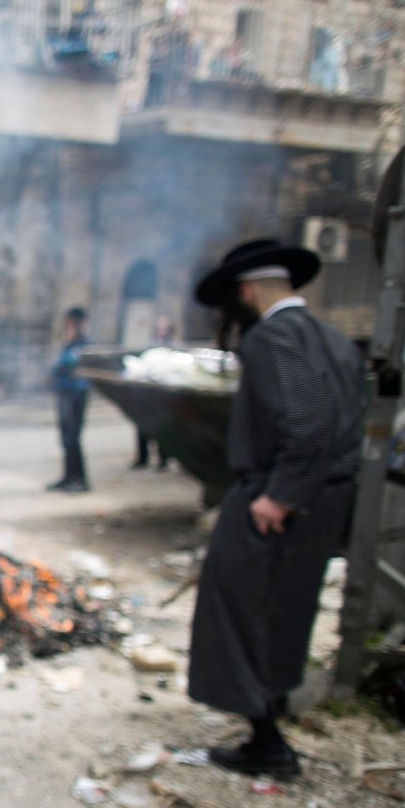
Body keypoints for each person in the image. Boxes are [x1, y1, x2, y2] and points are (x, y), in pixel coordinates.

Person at [187, 239, 362, 779]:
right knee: (286, 609)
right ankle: (274, 709)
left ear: (246, 292)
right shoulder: (331, 338)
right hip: (325, 499)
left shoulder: (272, 337)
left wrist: (278, 496)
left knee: (238, 612)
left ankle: (267, 744)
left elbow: (308, 425)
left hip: (281, 496)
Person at [47, 306, 92, 493]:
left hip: (76, 394)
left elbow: (68, 364)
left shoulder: (82, 343)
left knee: (73, 438)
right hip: (65, 393)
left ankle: (80, 481)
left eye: (70, 321)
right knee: (65, 439)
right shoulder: (69, 343)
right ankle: (68, 477)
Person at [133, 314, 175, 470]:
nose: (161, 331)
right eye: (159, 328)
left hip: (164, 395)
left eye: (164, 328)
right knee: (142, 426)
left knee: (162, 428)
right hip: (147, 393)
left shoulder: (173, 348)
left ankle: (163, 459)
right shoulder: (150, 347)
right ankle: (142, 458)